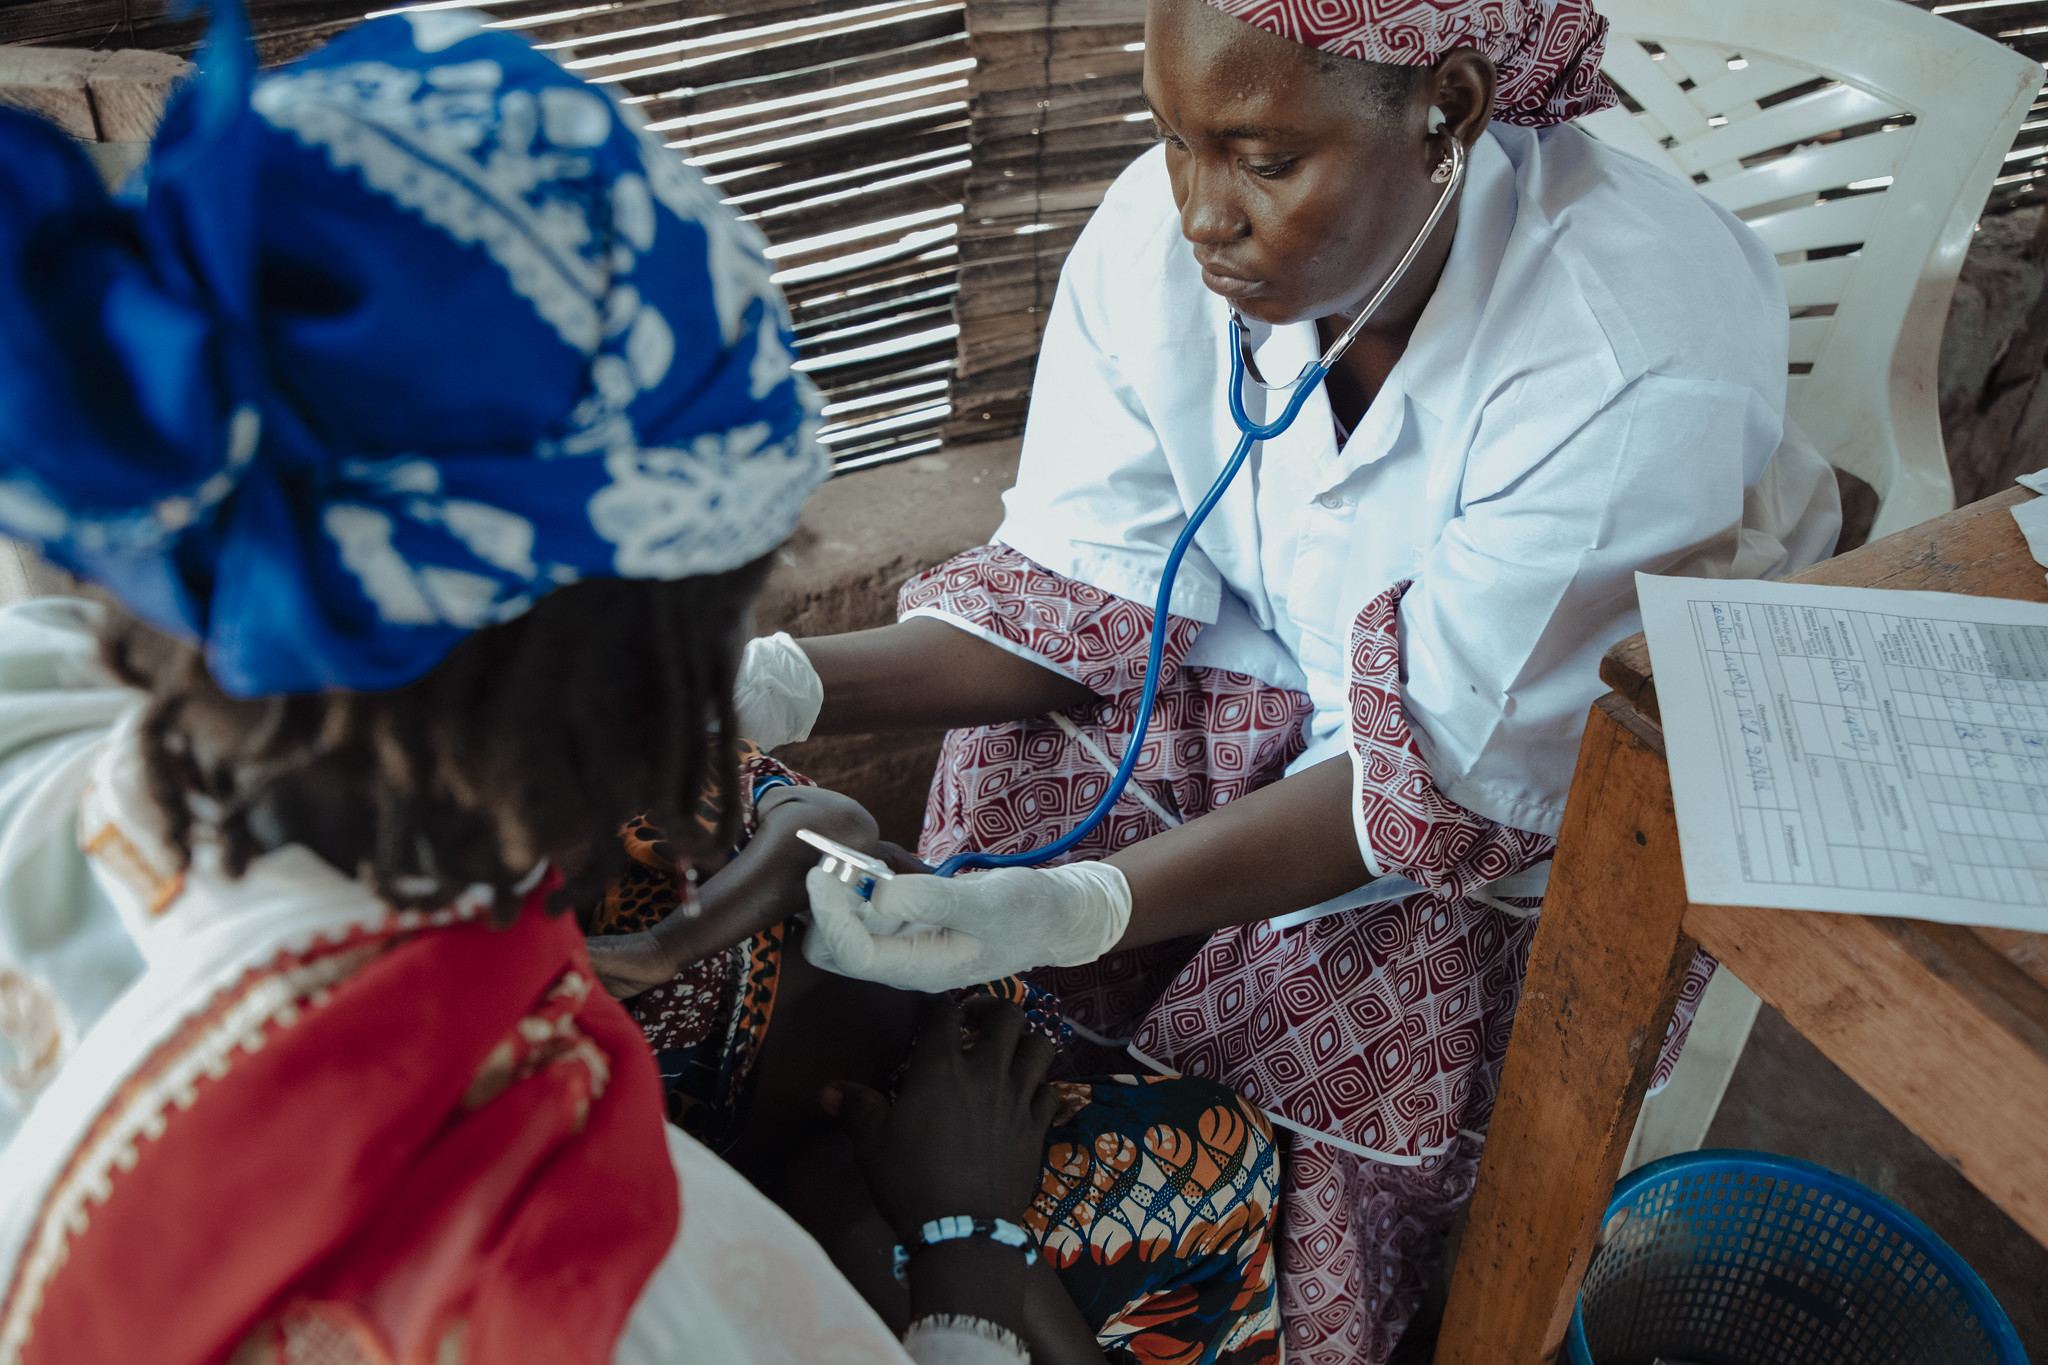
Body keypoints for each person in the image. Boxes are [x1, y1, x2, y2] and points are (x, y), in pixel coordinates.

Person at [0, 7, 1274, 1363]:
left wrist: (663, 941)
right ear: (619, 712)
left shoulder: (49, 721)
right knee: (1218, 1176)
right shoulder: (637, 1295)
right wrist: (967, 1248)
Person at [728, 0, 1844, 1359]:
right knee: (1014, 791)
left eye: (1261, 160)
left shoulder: (1630, 359)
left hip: (1489, 811)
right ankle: (1005, 1157)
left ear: (1447, 109)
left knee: (1291, 1059)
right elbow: (1084, 585)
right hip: (1271, 667)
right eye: (1173, 137)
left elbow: (1428, 775)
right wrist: (767, 682)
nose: (1199, 212)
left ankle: (1229, 1278)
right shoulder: (1169, 231)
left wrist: (1077, 907)